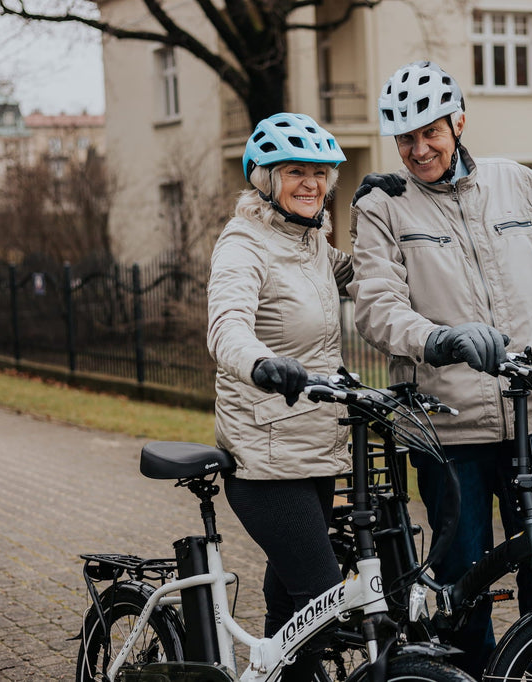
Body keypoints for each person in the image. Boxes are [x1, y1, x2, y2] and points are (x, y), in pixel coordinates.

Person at [347, 60, 532, 678]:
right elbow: (376, 311)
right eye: (405, 138)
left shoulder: (518, 184)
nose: (418, 149)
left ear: (458, 121)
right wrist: (442, 338)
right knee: (462, 588)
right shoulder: (385, 207)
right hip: (447, 433)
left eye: (429, 132)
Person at [207, 112, 352, 681]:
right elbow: (227, 326)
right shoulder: (244, 244)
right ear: (265, 179)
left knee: (290, 609)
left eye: (319, 173)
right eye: (296, 171)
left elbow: (362, 276)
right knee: (321, 597)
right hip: (264, 458)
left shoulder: (312, 240)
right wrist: (262, 363)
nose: (311, 183)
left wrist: (394, 208)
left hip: (315, 447)